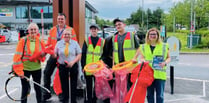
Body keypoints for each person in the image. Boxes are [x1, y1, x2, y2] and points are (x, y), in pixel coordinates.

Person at [100, 18, 139, 103]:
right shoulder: (114, 37)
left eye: (119, 24)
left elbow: (139, 48)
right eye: (116, 25)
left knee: (130, 86)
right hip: (119, 67)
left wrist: (135, 58)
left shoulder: (131, 35)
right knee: (120, 87)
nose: (118, 26)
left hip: (129, 66)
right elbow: (114, 52)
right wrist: (113, 65)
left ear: (124, 25)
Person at [42, 13, 77, 101]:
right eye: (59, 19)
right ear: (57, 20)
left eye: (62, 19)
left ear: (65, 20)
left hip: (64, 56)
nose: (60, 20)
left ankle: (62, 94)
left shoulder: (70, 30)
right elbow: (49, 44)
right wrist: (48, 52)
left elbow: (74, 43)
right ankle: (47, 93)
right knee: (46, 72)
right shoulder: (53, 30)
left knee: (62, 77)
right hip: (54, 55)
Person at [132, 28, 171, 103]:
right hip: (148, 75)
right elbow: (142, 58)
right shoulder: (143, 46)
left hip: (160, 74)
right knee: (149, 95)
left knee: (160, 95)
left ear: (158, 35)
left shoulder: (165, 46)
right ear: (148, 36)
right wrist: (143, 61)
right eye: (151, 34)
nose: (152, 36)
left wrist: (165, 63)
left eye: (154, 34)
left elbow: (169, 58)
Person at [12, 23, 46, 103]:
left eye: (35, 29)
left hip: (37, 68)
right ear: (28, 31)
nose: (33, 31)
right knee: (25, 89)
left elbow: (43, 57)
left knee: (38, 89)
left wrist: (43, 55)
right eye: (31, 29)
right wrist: (20, 72)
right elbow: (17, 57)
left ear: (37, 31)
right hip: (25, 69)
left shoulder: (40, 41)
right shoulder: (23, 41)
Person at [52, 28, 81, 103]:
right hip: (62, 66)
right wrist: (54, 54)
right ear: (62, 35)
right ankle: (65, 100)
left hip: (73, 65)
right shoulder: (59, 43)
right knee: (64, 85)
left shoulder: (75, 43)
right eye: (65, 34)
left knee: (73, 84)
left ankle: (73, 100)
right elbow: (55, 54)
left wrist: (73, 62)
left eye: (68, 34)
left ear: (71, 35)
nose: (66, 35)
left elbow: (79, 54)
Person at [81, 24, 104, 103]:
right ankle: (89, 99)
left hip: (98, 67)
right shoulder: (87, 40)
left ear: (98, 30)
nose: (94, 31)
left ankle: (95, 98)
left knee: (97, 85)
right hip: (88, 67)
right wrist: (83, 66)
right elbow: (83, 54)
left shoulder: (102, 41)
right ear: (90, 31)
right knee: (89, 84)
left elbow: (104, 54)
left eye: (95, 29)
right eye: (92, 29)